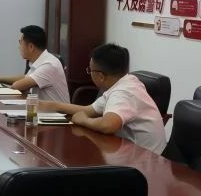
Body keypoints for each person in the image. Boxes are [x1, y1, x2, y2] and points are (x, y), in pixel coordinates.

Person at [39, 43, 167, 153]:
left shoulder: (124, 92)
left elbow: (108, 125)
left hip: (145, 163)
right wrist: (50, 105)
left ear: (101, 76)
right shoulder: (124, 82)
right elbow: (89, 110)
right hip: (131, 153)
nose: (89, 73)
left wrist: (84, 121)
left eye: (90, 70)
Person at [0, 25, 69, 103]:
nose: (19, 47)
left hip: (58, 115)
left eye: (20, 43)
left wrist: (0, 84)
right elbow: (26, 78)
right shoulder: (41, 60)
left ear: (31, 47)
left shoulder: (49, 65)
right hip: (43, 111)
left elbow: (17, 86)